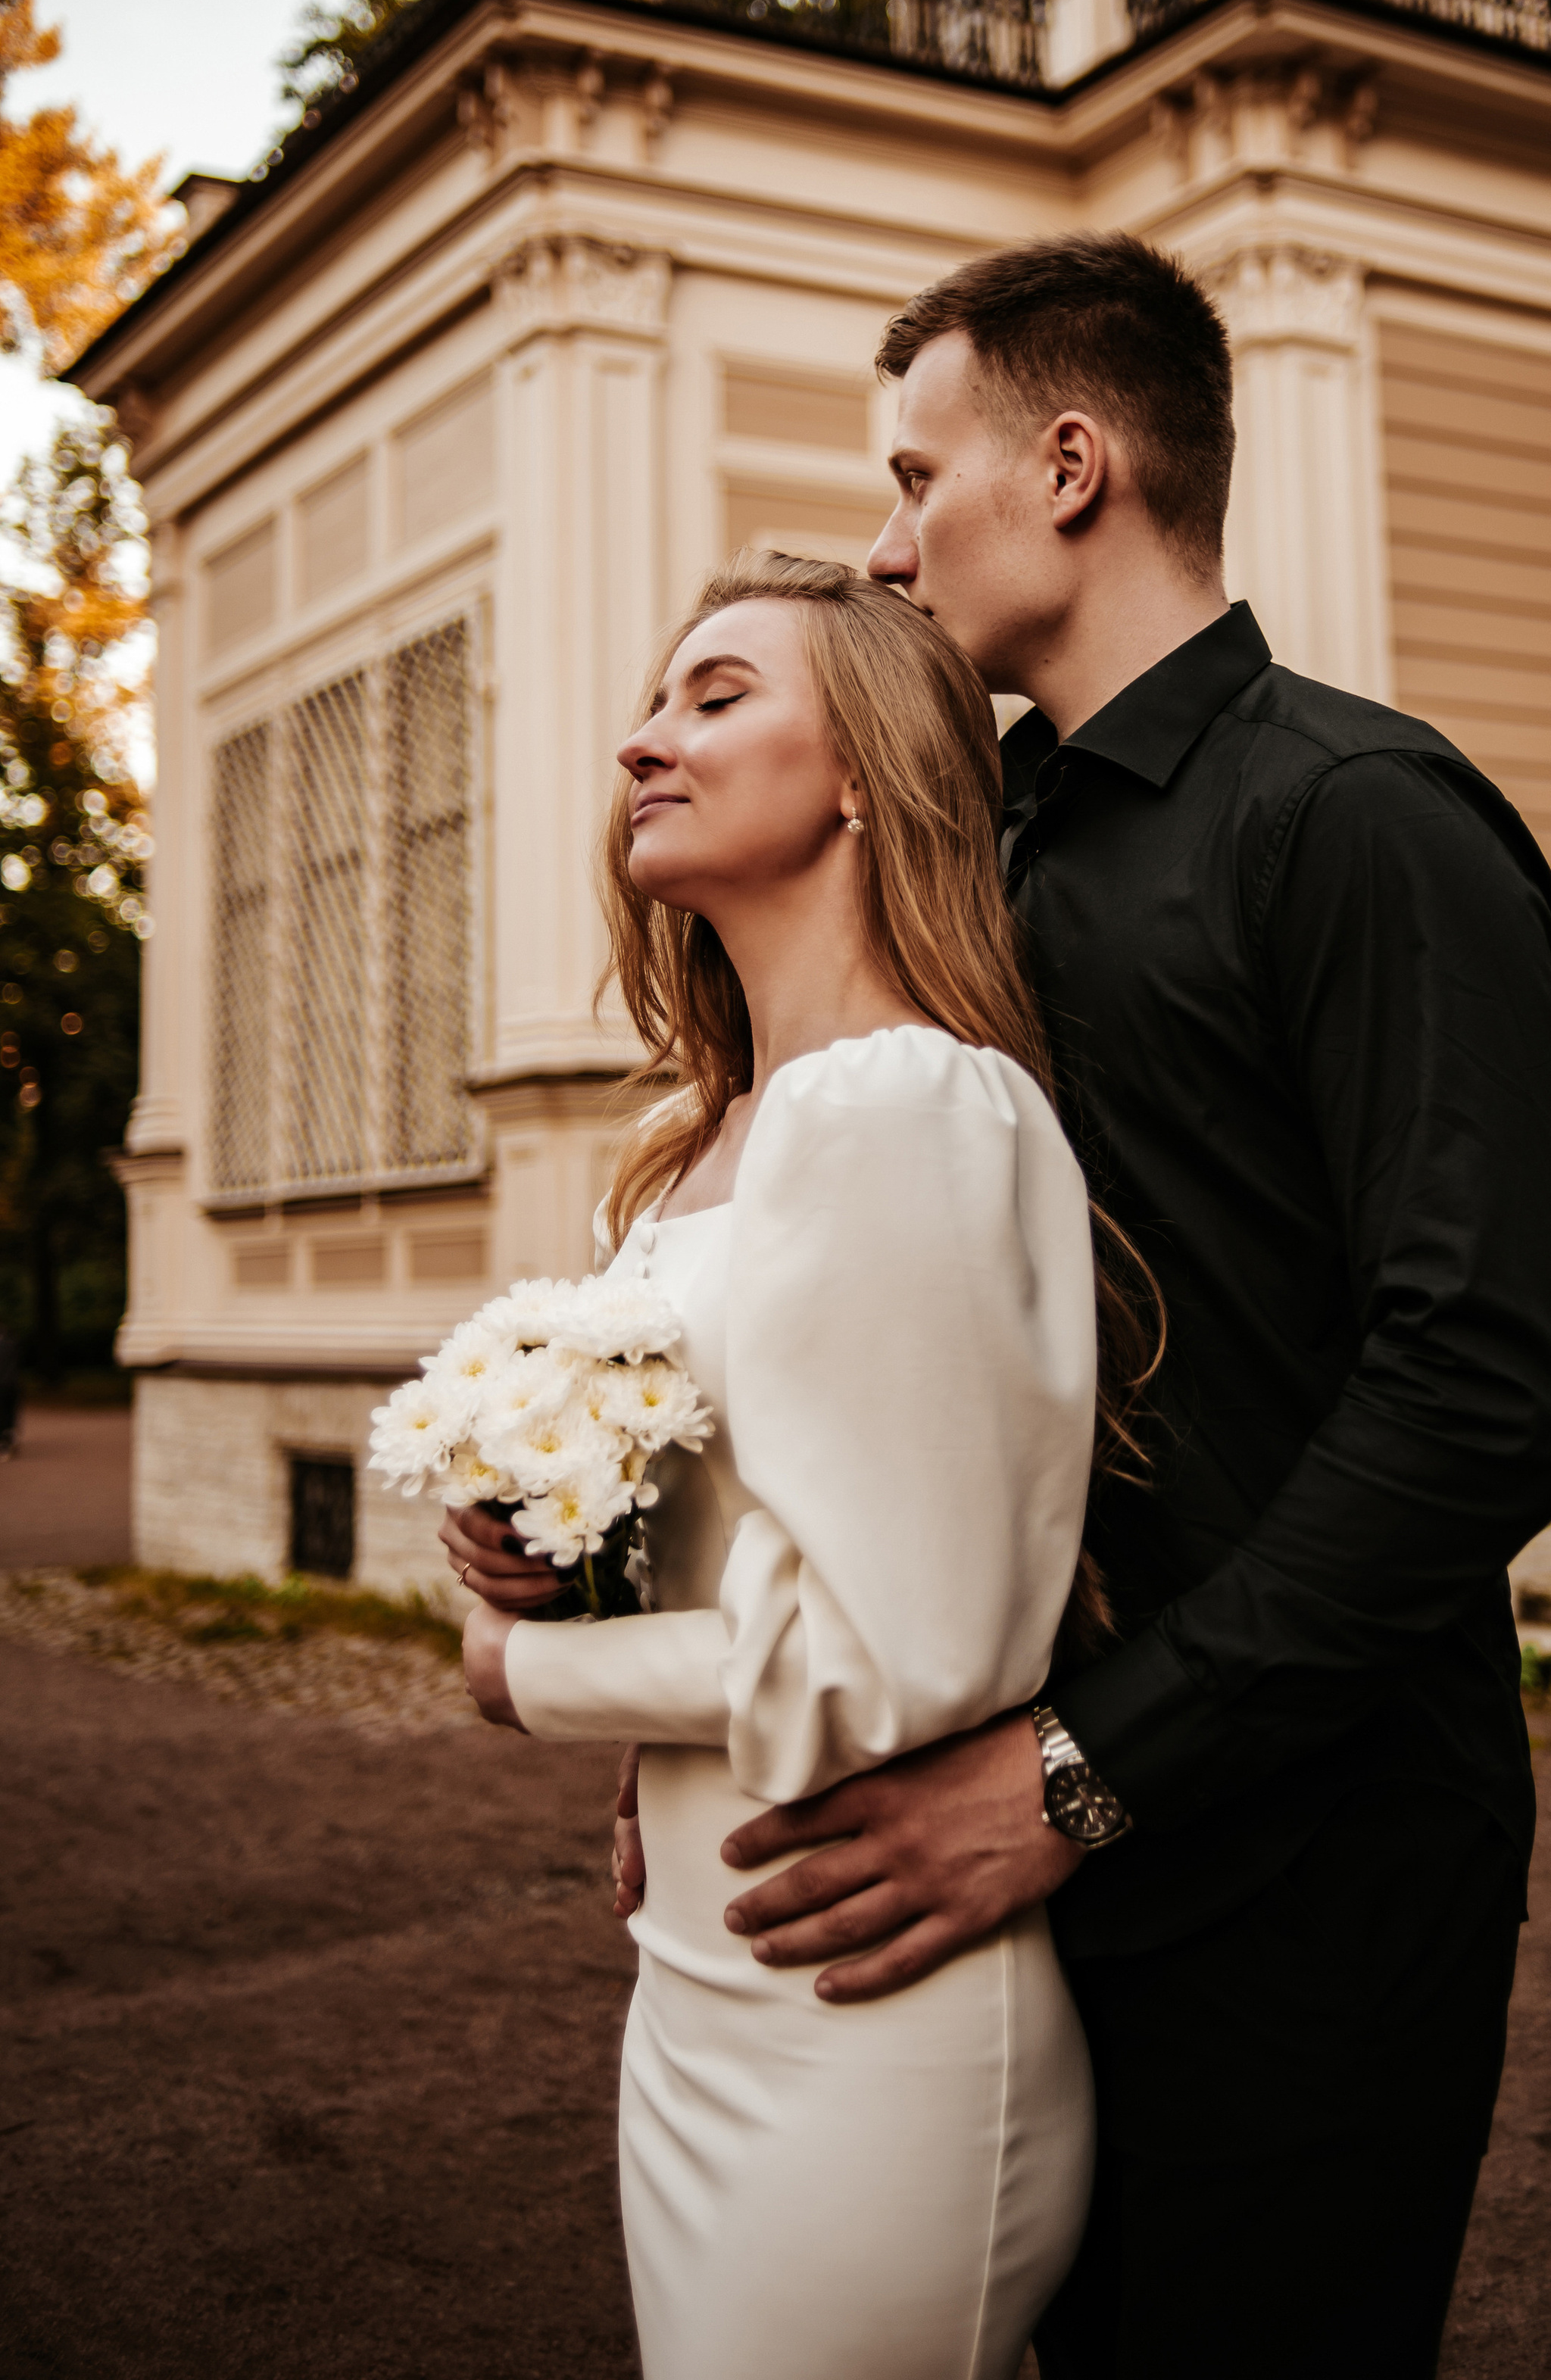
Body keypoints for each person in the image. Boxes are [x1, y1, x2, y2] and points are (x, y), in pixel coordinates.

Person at [694, 233, 1551, 2378]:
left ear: (1078, 463)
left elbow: (1493, 1382)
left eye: (922, 477)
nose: (887, 537)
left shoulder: (1360, 820)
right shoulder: (967, 853)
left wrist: (1089, 1771)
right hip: (1000, 1825)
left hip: (1306, 1854)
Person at [445, 550, 1127, 2380]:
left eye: (713, 696)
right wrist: (543, 1537)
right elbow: (758, 1528)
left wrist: (532, 1672)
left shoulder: (899, 1102)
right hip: (707, 1975)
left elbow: (897, 1653)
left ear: (859, 772)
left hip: (864, 2023)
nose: (641, 741)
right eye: (658, 703)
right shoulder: (715, 1135)